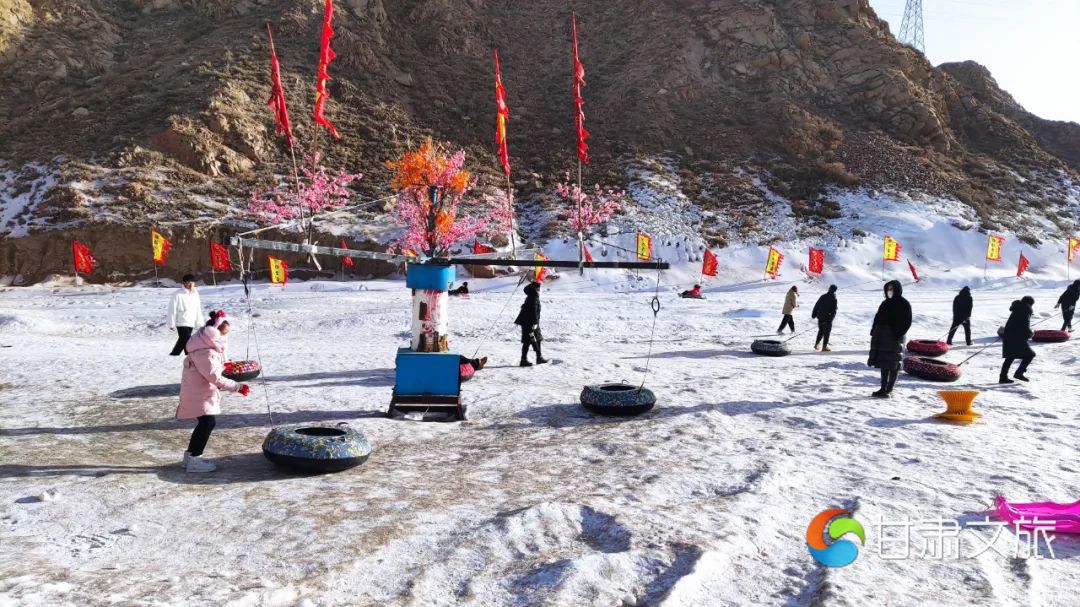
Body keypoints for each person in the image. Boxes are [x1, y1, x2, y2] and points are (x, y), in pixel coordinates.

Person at [177, 310, 249, 473]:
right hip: (199, 393)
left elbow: (212, 366)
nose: (224, 338)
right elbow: (214, 376)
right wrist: (237, 387)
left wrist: (226, 365)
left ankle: (190, 457)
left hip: (198, 391)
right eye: (223, 335)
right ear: (214, 334)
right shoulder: (206, 352)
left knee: (205, 422)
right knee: (208, 422)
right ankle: (195, 460)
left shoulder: (204, 345)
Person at [867, 280, 912, 398]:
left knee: (893, 364)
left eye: (891, 289)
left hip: (895, 338)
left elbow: (907, 322)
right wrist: (874, 330)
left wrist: (897, 334)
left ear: (897, 289)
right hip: (882, 338)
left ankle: (889, 389)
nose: (889, 291)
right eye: (888, 289)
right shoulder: (885, 303)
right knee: (883, 363)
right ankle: (883, 388)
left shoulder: (904, 303)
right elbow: (877, 318)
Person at [1001, 296, 1036, 384]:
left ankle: (1003, 377)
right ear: (1029, 304)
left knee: (1010, 356)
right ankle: (1019, 373)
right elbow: (1024, 325)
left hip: (1009, 336)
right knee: (1030, 354)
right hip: (1017, 337)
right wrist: (1030, 333)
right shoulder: (1025, 310)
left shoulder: (1017, 308)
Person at [168, 274, 205, 356]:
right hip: (181, 322)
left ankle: (175, 354)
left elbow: (197, 308)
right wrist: (171, 323)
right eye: (189, 283)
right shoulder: (177, 294)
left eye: (193, 283)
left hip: (191, 321)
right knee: (188, 340)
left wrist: (199, 322)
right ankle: (190, 355)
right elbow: (171, 309)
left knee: (183, 340)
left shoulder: (195, 294)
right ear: (184, 283)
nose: (191, 285)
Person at [514, 281, 547, 367]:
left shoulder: (532, 295)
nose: (539, 289)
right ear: (535, 288)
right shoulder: (533, 297)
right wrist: (535, 323)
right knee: (530, 341)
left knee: (534, 340)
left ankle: (535, 358)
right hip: (530, 323)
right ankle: (530, 359)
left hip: (528, 322)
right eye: (538, 288)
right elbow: (533, 311)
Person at [811, 285, 838, 352]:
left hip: (820, 317)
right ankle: (824, 347)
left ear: (829, 289)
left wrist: (814, 314)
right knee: (827, 333)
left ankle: (816, 344)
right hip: (827, 318)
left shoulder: (823, 296)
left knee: (821, 331)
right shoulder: (833, 298)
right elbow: (834, 310)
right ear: (835, 290)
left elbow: (816, 305)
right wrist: (831, 319)